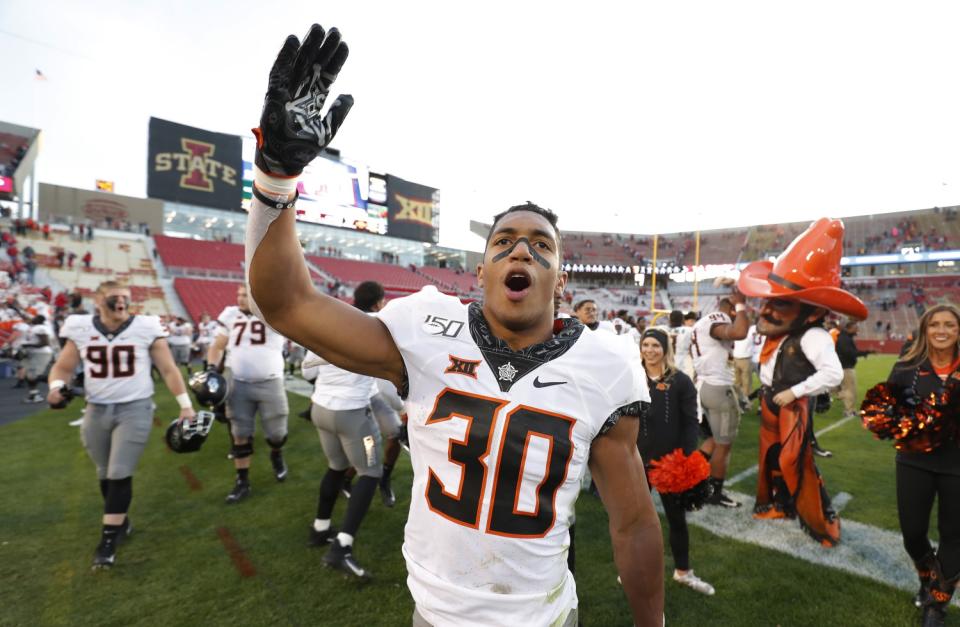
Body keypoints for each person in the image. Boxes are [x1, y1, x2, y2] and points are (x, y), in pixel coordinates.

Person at [244, 24, 663, 626]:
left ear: (561, 280)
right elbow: (285, 303)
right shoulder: (423, 326)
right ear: (482, 270)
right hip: (436, 614)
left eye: (541, 246)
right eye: (505, 242)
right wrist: (276, 176)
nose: (521, 252)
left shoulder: (607, 366)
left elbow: (632, 522)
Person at [46, 281, 195, 568]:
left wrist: (185, 405)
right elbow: (64, 367)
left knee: (119, 471)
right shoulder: (81, 327)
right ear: (99, 300)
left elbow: (168, 368)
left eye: (127, 298)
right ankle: (121, 521)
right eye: (116, 298)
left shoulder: (145, 326)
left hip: (135, 408)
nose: (123, 303)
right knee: (104, 473)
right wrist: (55, 386)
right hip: (96, 409)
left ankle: (108, 541)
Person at [737, 218, 859, 547]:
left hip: (790, 404)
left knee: (795, 460)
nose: (766, 309)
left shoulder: (814, 335)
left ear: (812, 312)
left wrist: (795, 391)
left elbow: (832, 375)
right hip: (771, 400)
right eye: (769, 300)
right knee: (771, 456)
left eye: (780, 302)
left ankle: (821, 519)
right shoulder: (785, 333)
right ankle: (779, 505)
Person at [886, 304, 960, 626]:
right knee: (913, 534)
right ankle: (928, 575)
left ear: (959, 331)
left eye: (950, 325)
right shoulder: (907, 367)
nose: (941, 331)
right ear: (925, 330)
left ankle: (936, 605)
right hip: (914, 461)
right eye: (935, 325)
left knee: (954, 536)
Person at [638, 328, 714, 596]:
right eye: (645, 344)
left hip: (669, 465)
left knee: (676, 519)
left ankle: (683, 572)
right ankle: (635, 570)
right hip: (638, 462)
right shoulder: (633, 376)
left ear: (665, 349)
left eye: (655, 345)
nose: (650, 350)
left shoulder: (680, 381)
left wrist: (683, 457)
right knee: (636, 521)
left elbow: (691, 422)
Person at [301, 336, 382, 578]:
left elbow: (307, 374)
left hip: (321, 408)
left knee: (336, 466)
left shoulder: (327, 328)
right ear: (379, 303)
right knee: (370, 472)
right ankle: (342, 547)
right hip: (351, 415)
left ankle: (320, 528)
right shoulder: (375, 327)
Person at [208, 285, 291, 503]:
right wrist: (210, 369)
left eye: (245, 295)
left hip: (270, 382)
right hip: (239, 384)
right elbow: (217, 346)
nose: (240, 299)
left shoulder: (274, 313)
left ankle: (276, 453)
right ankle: (242, 481)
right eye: (238, 294)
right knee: (239, 432)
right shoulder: (229, 315)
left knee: (277, 434)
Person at [691, 295, 750, 507]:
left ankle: (690, 471)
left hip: (706, 386)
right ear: (731, 309)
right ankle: (714, 492)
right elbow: (739, 332)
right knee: (724, 444)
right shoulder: (718, 318)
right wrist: (741, 305)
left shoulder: (702, 322)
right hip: (718, 389)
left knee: (717, 438)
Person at [835, 319, 872, 418]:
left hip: (845, 367)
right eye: (855, 328)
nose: (857, 330)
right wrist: (866, 352)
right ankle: (848, 411)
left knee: (849, 390)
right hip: (846, 367)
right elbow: (850, 353)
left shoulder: (845, 338)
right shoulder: (844, 339)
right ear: (848, 328)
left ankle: (850, 408)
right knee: (849, 390)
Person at [20, 314, 54, 403]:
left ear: (39, 320)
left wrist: (27, 345)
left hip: (41, 353)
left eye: (34, 318)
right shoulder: (35, 327)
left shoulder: (39, 328)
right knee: (30, 375)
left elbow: (45, 342)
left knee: (35, 375)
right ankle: (34, 395)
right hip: (34, 353)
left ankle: (60, 385)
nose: (32, 319)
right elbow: (24, 316)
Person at [731, 313, 759, 411]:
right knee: (736, 383)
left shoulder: (752, 329)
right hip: (736, 357)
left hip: (746, 358)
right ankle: (738, 402)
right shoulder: (738, 328)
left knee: (746, 383)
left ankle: (748, 403)